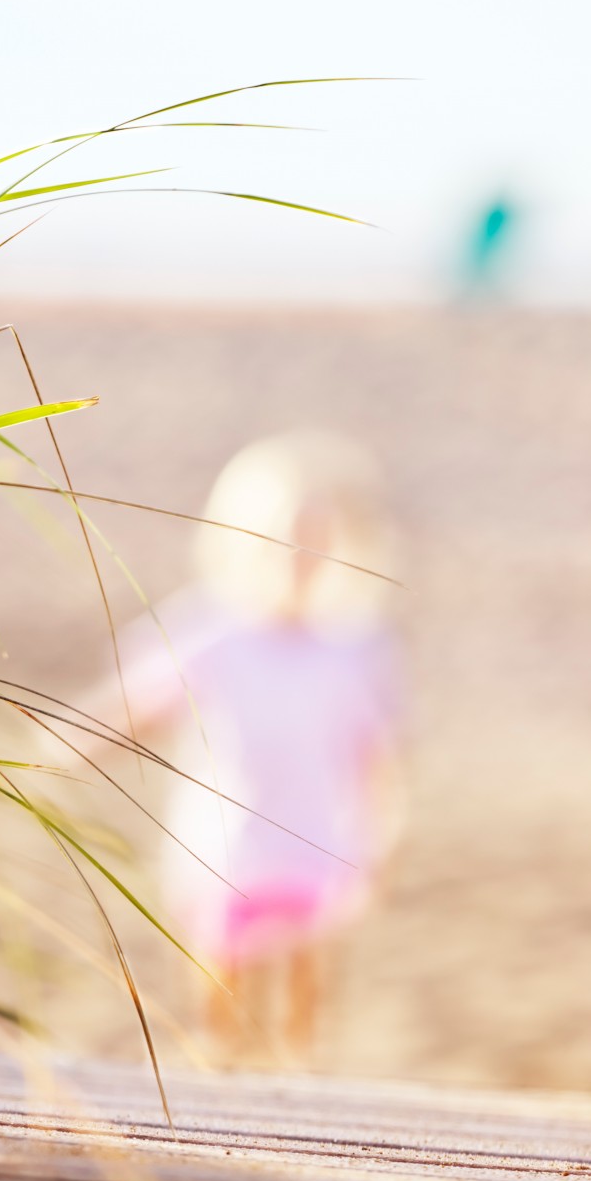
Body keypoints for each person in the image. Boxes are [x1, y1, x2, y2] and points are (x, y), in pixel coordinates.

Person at [106, 430, 403, 1063]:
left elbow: (374, 751)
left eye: (315, 541)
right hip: (225, 842)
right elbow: (133, 701)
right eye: (282, 539)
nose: (298, 556)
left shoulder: (351, 646)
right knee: (222, 983)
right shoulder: (212, 631)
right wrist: (67, 740)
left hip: (317, 838)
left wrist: (383, 836)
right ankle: (222, 1076)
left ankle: (299, 1082)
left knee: (308, 982)